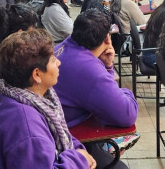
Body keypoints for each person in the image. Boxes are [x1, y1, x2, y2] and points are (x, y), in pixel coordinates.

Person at [0, 29, 96, 169]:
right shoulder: (27, 128)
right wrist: (79, 159)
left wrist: (79, 150)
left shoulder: (14, 95)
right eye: (53, 60)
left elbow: (61, 133)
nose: (59, 63)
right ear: (37, 74)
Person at [54, 9, 136, 169]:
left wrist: (107, 66)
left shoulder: (66, 44)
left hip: (60, 128)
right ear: (107, 37)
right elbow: (128, 114)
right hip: (66, 141)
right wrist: (126, 91)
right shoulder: (89, 70)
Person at [0, 3, 39, 80]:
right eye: (32, 29)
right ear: (20, 32)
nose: (34, 32)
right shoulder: (11, 55)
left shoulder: (2, 42)